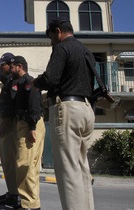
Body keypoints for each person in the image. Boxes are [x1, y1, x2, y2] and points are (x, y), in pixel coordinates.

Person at [33, 17, 95, 210]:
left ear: (58, 31)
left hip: (67, 109)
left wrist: (36, 83)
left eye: (51, 37)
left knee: (68, 170)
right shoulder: (86, 51)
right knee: (82, 168)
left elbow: (51, 78)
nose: (51, 42)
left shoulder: (61, 48)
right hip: (86, 110)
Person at [10, 55, 45, 210]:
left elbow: (35, 104)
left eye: (12, 67)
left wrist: (31, 127)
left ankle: (29, 205)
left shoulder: (29, 82)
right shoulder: (19, 82)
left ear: (19, 66)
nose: (10, 70)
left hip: (30, 124)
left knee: (24, 164)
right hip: (26, 123)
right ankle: (31, 203)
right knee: (30, 166)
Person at [0, 53, 19, 205]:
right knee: (6, 160)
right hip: (4, 120)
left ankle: (16, 195)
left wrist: (5, 123)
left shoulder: (13, 79)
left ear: (10, 64)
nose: (1, 67)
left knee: (10, 158)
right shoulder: (8, 79)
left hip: (8, 122)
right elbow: (0, 75)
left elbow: (1, 76)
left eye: (3, 64)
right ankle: (12, 192)